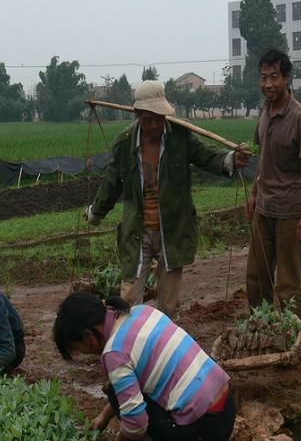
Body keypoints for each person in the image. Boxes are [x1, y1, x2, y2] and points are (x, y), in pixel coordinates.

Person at [86, 80, 251, 319]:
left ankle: (165, 346)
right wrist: (96, 212)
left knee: (169, 304)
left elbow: (207, 156)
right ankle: (129, 344)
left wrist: (232, 160)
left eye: (158, 118)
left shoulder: (180, 138)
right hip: (137, 230)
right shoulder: (124, 144)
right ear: (138, 115)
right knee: (129, 298)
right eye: (147, 119)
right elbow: (111, 182)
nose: (154, 125)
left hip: (172, 229)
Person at [53, 291, 236, 441]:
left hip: (201, 435)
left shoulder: (114, 353)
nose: (83, 354)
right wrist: (104, 417)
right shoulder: (141, 311)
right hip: (226, 414)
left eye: (78, 348)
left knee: (116, 396)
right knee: (125, 394)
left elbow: (136, 422)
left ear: (88, 336)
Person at [245, 49, 301, 320]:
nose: (268, 84)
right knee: (256, 277)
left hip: (290, 211)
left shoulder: (299, 117)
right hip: (263, 210)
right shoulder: (264, 113)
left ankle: (290, 336)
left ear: (287, 78)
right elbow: (261, 158)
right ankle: (261, 327)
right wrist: (254, 195)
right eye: (263, 78)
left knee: (288, 283)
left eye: (274, 77)